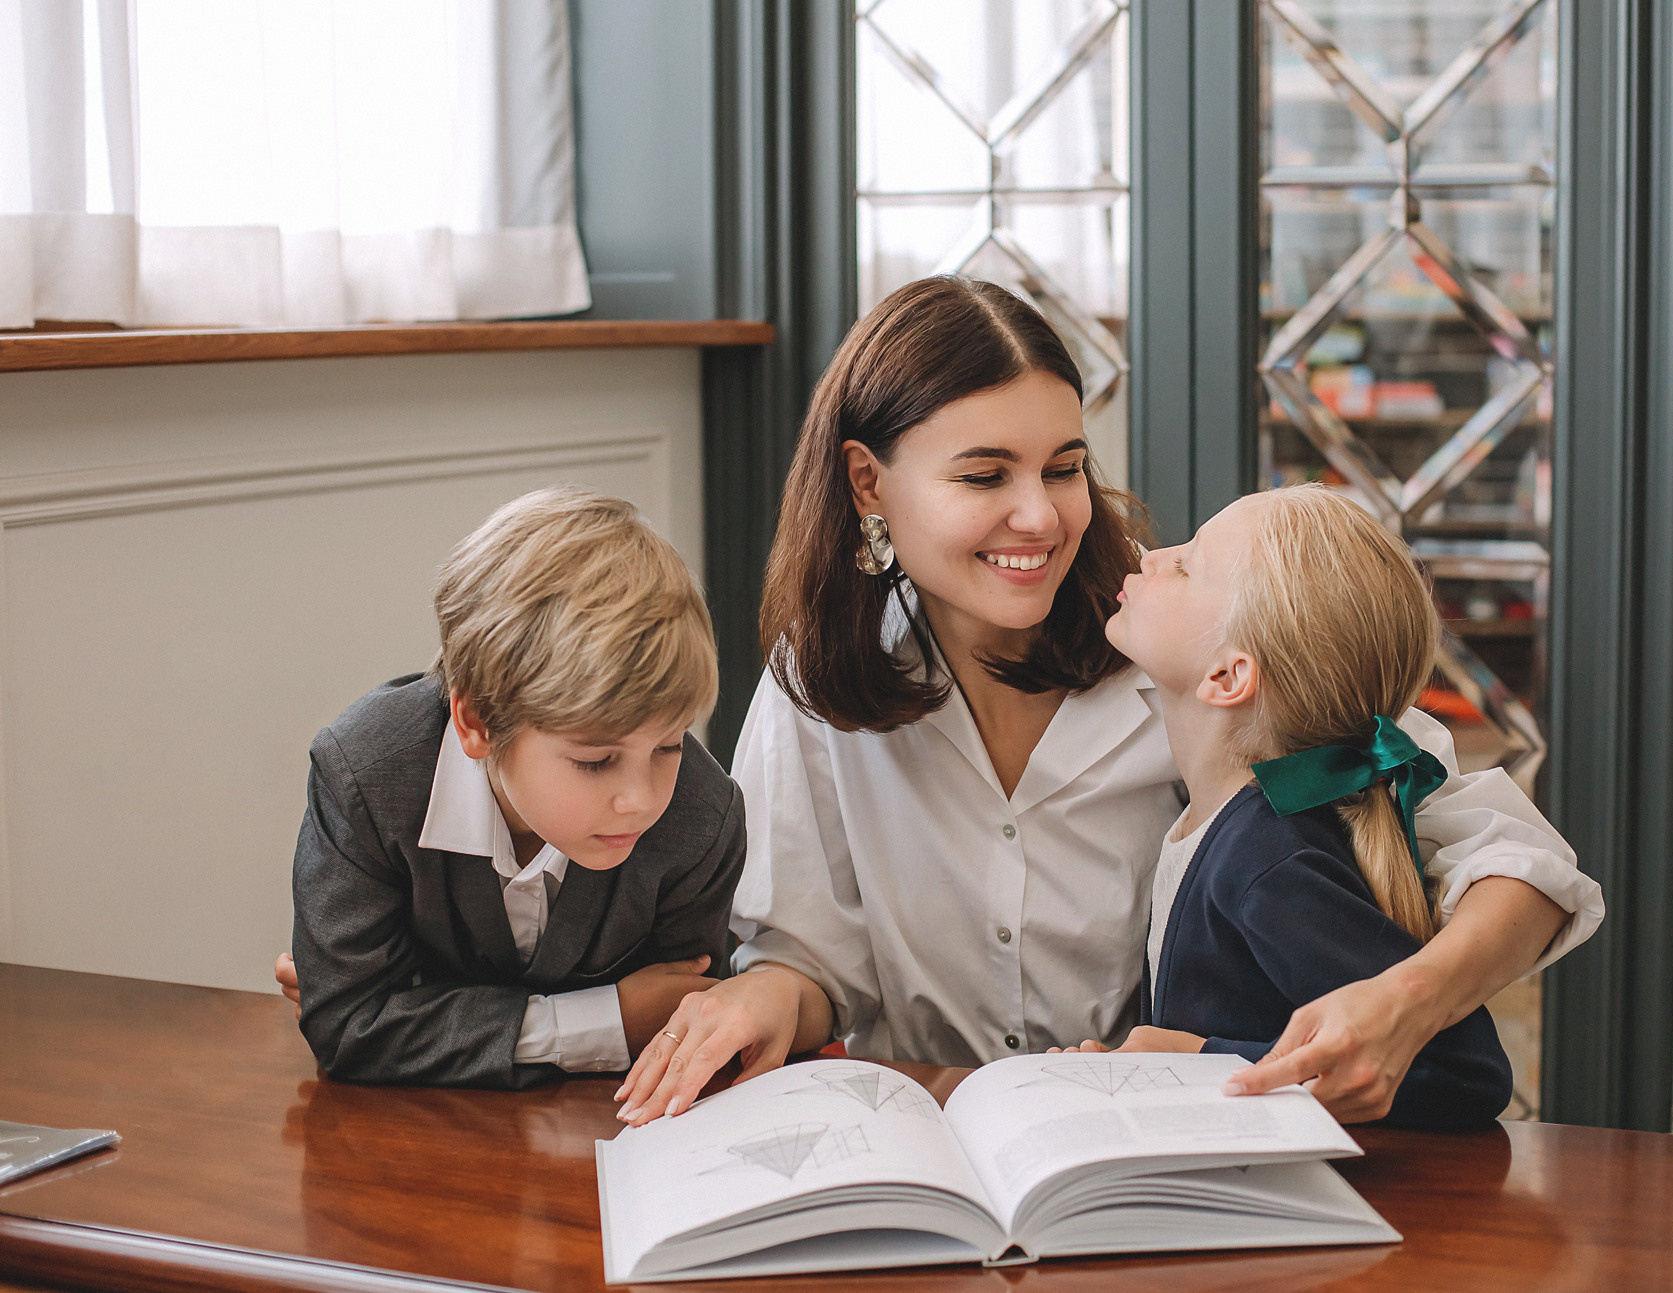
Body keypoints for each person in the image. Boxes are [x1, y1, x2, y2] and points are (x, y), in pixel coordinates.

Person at [613, 276, 1602, 1125]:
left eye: (1064, 466)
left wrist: (1408, 1000)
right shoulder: (817, 678)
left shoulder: (1200, 640)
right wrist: (765, 997)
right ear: (867, 483)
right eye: (983, 474)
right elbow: (813, 960)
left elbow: (1506, 857)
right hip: (939, 1134)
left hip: (1161, 1142)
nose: (1040, 516)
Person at [1065, 484, 1513, 1128]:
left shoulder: (1267, 857)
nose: (1154, 556)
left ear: (1228, 677)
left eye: (1186, 564)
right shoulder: (1214, 822)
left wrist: (1200, 1058)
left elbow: (1462, 1071)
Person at [279, 487, 745, 1089]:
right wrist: (607, 1021)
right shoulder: (366, 776)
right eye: (595, 760)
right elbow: (347, 1025)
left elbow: (680, 1033)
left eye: (668, 746)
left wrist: (419, 1009)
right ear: (476, 722)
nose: (642, 799)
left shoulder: (701, 818)